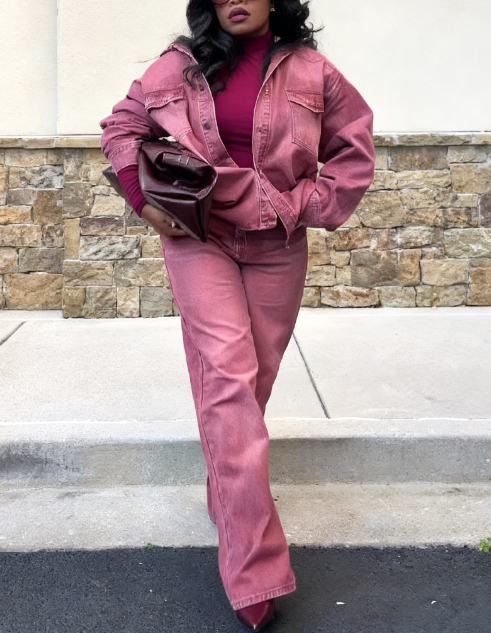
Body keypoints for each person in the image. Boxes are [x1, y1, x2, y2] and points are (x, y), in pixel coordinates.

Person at [100, 0, 374, 628]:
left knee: (253, 385)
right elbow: (122, 128)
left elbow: (354, 148)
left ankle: (226, 496)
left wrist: (307, 204)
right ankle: (254, 573)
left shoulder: (313, 71)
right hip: (199, 237)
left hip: (278, 243)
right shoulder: (179, 65)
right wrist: (142, 200)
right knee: (227, 377)